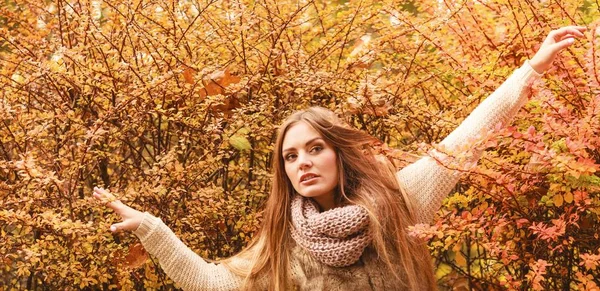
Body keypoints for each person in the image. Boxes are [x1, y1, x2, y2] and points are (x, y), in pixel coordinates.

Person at [93, 26, 587, 290]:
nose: (302, 162)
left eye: (314, 148)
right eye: (290, 156)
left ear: (338, 154)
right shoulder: (283, 244)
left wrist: (530, 70)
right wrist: (153, 231)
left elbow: (464, 142)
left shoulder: (400, 200)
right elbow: (212, 283)